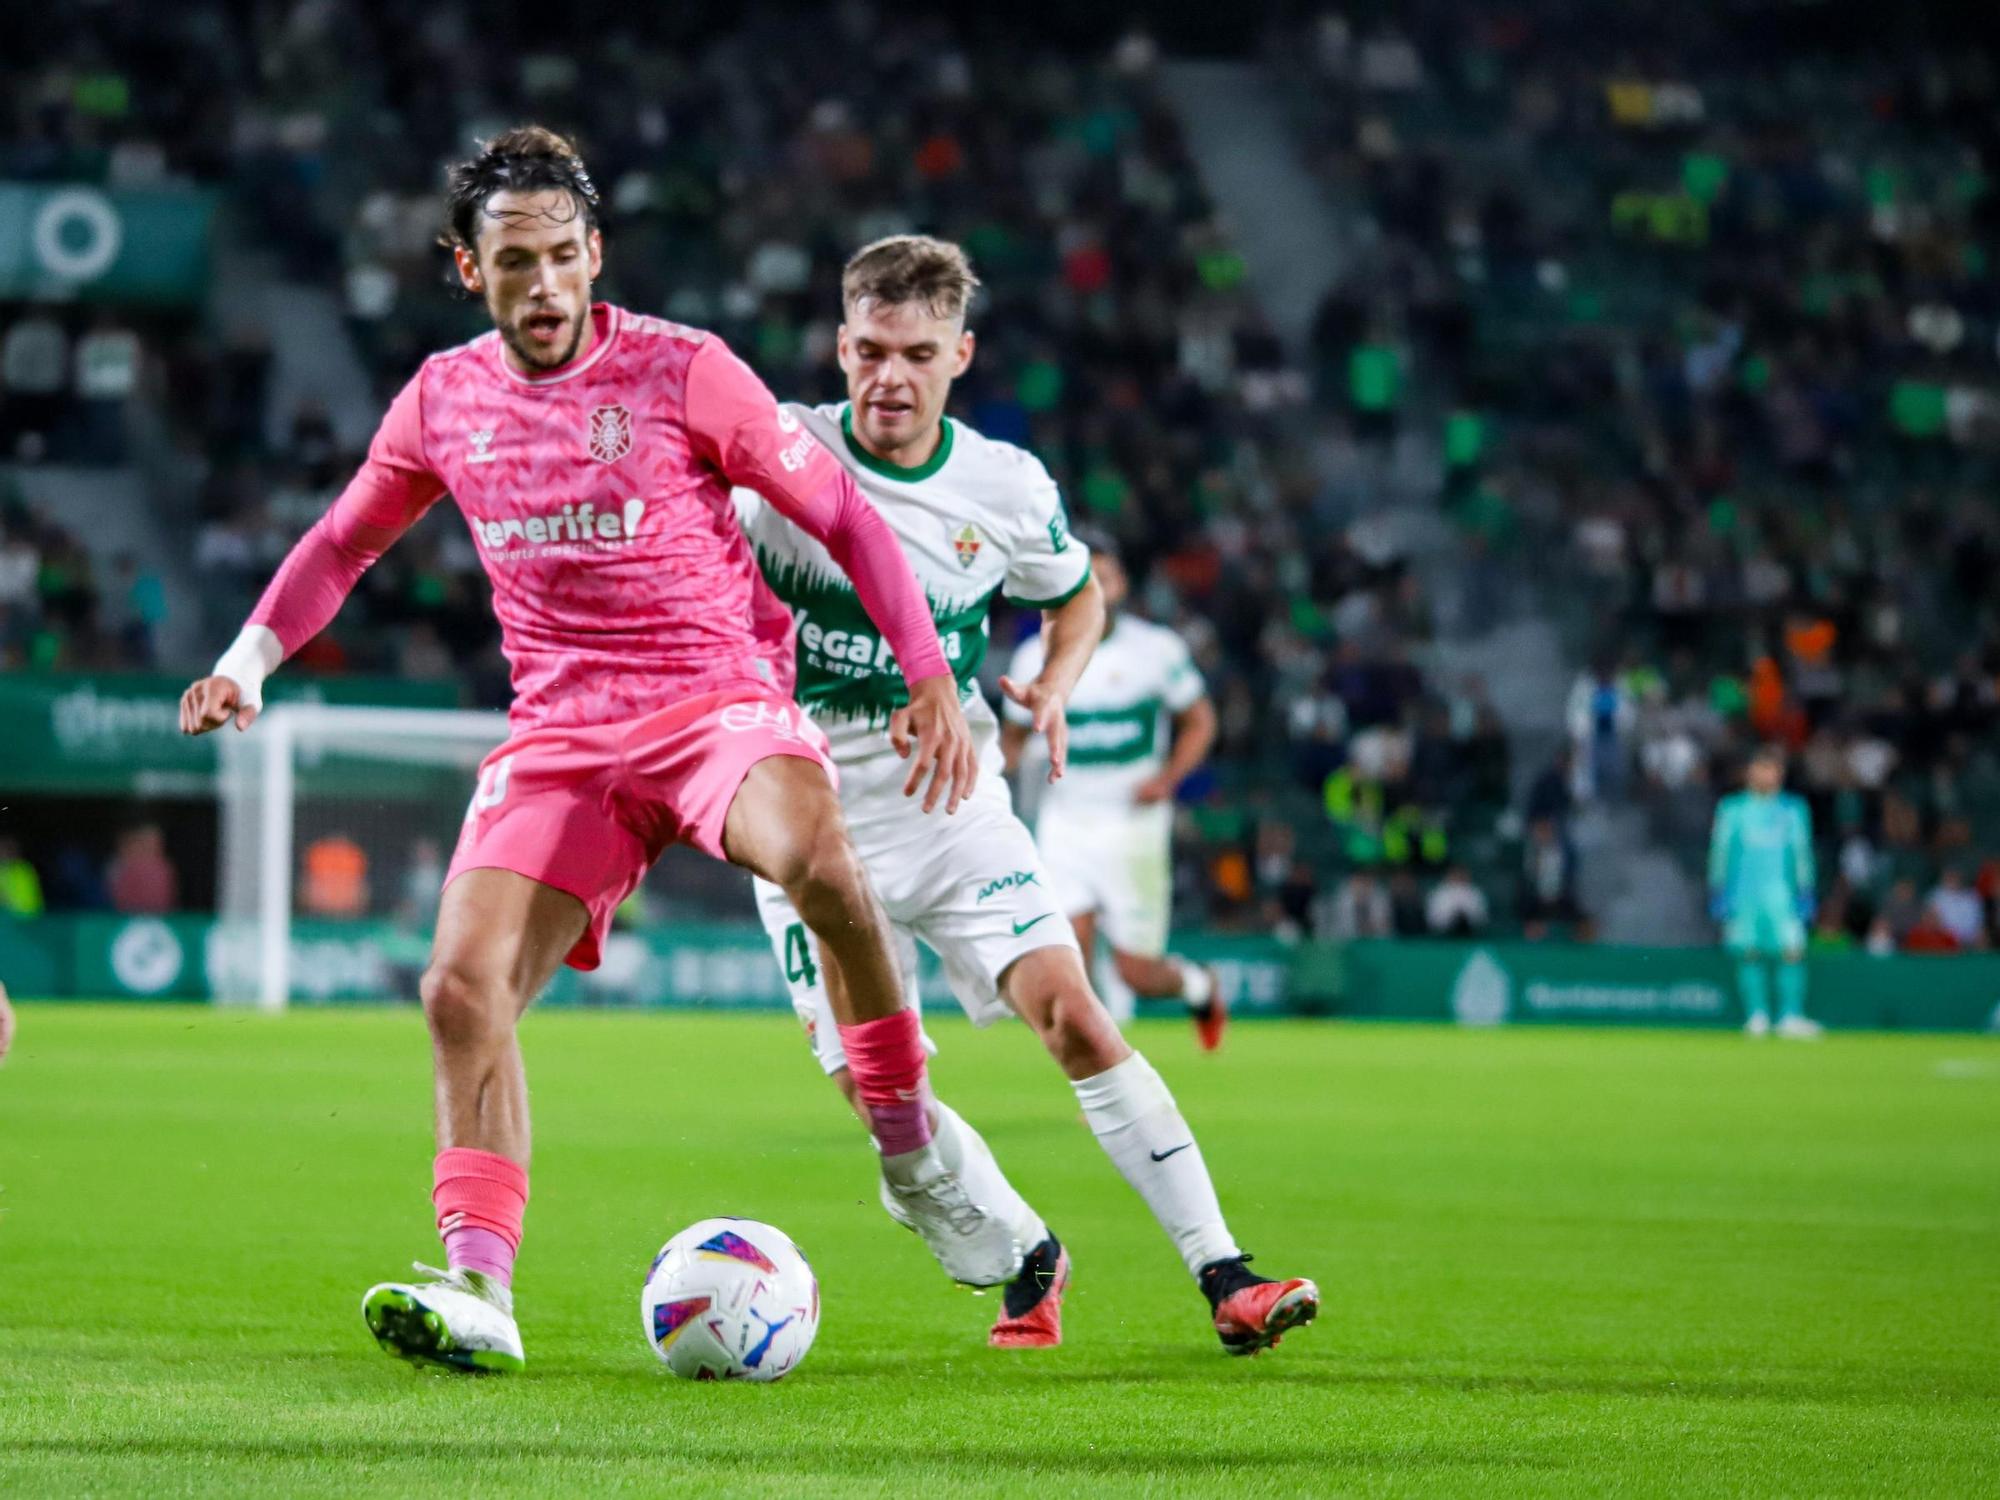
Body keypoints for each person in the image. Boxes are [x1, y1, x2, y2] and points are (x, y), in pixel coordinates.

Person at [178, 128, 990, 1375]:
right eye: (516, 262)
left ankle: (908, 1148)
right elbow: (343, 542)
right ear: (468, 269)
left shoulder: (683, 370)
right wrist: (245, 661)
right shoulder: (444, 400)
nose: (546, 286)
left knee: (819, 862)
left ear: (595, 253)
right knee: (459, 990)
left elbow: (842, 515)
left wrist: (928, 676)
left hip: (713, 703)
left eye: (565, 257)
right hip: (562, 735)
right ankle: (478, 1289)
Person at [738, 235, 1316, 1356]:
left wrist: (1050, 685)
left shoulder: (1001, 485)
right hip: (798, 823)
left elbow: (1079, 595)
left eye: (915, 353)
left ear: (960, 353)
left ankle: (1224, 1275)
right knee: (877, 1096)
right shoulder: (780, 451)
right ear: (839, 346)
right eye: (867, 351)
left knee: (1073, 1012)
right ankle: (1024, 1251)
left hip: (949, 806)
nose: (887, 379)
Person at [1002, 531, 1226, 1048]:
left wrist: (1167, 779)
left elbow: (1200, 720)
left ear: (1122, 583)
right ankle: (1104, 1070)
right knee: (1069, 958)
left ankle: (1199, 985)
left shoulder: (1156, 650)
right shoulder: (1035, 656)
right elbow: (1012, 740)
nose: (1096, 589)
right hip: (1065, 821)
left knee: (1135, 972)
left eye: (1105, 577)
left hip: (1133, 824)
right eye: (1085, 579)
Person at [1709, 746, 1821, 1038]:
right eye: (1762, 768)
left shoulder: (1793, 809)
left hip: (1782, 895)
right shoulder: (1732, 809)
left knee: (1792, 951)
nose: (1768, 775)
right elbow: (1721, 851)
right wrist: (1718, 888)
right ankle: (1756, 1015)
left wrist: (1806, 889)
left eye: (1773, 770)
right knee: (1748, 952)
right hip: (1744, 894)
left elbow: (1802, 852)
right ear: (1750, 772)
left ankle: (1790, 1016)